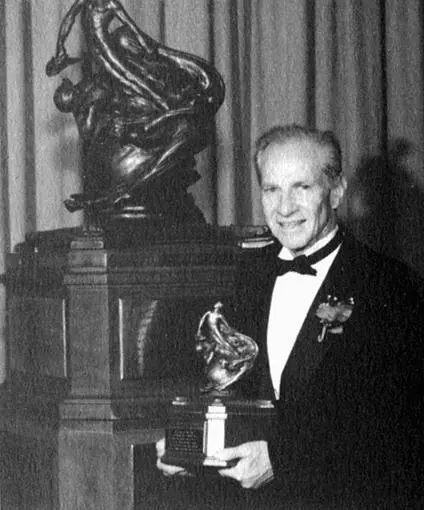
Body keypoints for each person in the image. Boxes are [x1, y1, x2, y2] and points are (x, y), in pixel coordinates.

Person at [156, 124, 423, 508]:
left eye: (302, 187)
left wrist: (283, 460)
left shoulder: (388, 285)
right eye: (272, 189)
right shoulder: (249, 275)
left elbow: (397, 430)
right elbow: (232, 389)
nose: (284, 208)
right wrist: (189, 445)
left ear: (337, 191)